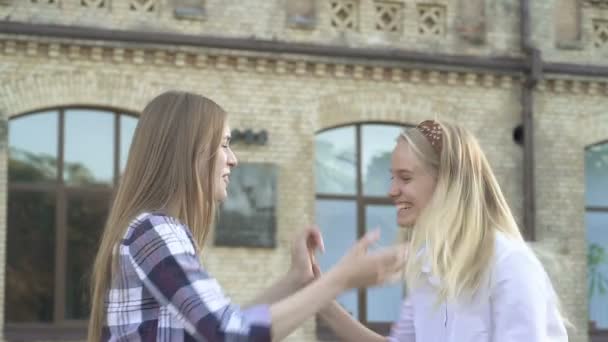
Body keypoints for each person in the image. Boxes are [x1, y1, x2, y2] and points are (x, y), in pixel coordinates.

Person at [87, 91, 407, 342]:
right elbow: (230, 335)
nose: (233, 160)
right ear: (189, 151)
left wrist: (296, 279)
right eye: (224, 144)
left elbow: (216, 327)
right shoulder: (157, 232)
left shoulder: (150, 231)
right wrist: (341, 279)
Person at [315, 120, 569, 341]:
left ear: (448, 182)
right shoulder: (427, 264)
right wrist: (319, 297)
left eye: (405, 178)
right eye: (393, 178)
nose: (392, 191)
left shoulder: (509, 265)